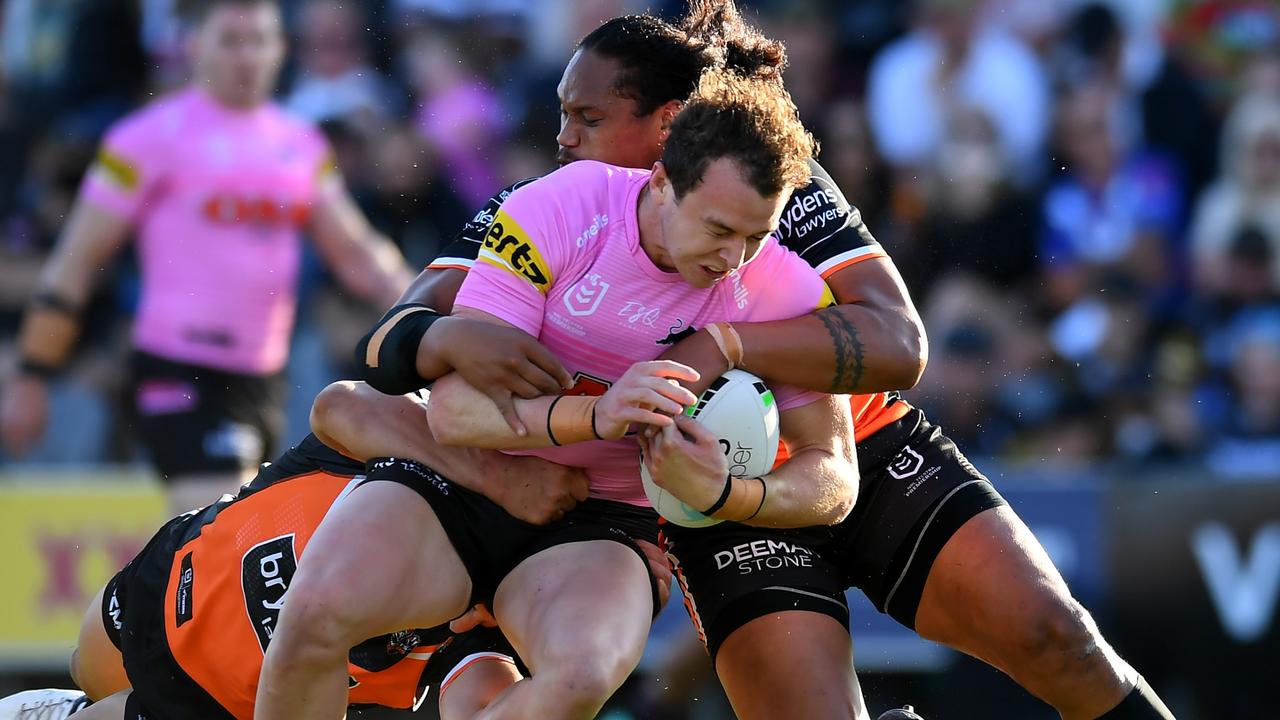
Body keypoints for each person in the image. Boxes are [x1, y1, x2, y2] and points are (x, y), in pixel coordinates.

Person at [318, 4, 1176, 719]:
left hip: (859, 445)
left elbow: (900, 345)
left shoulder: (775, 182)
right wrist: (436, 339)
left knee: (1058, 640)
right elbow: (390, 340)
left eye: (586, 118)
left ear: (663, 128)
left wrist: (724, 345)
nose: (561, 139)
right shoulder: (541, 209)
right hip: (708, 504)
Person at [255, 69, 860, 720]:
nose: (735, 258)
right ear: (661, 181)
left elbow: (835, 477)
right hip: (464, 481)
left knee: (580, 678)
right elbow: (458, 414)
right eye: (718, 229)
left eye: (757, 235)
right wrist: (598, 414)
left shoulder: (783, 287)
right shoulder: (564, 205)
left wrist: (728, 495)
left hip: (602, 523)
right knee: (313, 616)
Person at [0, 0, 413, 515]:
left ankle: (126, 598)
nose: (248, 57)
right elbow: (76, 261)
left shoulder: (299, 144)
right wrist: (33, 376)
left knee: (218, 547)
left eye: (260, 41)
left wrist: (434, 316)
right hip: (179, 367)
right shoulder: (145, 140)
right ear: (195, 46)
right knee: (220, 522)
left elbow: (357, 256)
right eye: (231, 41)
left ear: (281, 49)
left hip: (265, 376)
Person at [0, 433, 526, 720]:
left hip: (224, 705)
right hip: (174, 586)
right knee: (85, 671)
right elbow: (341, 402)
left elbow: (484, 700)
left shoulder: (483, 624)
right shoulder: (406, 446)